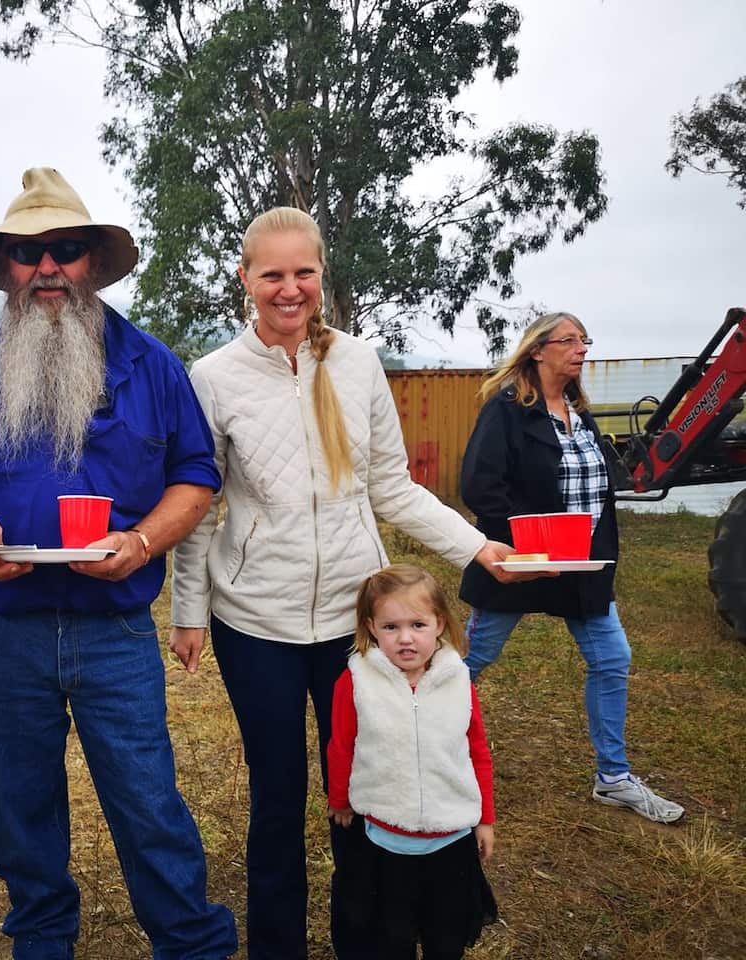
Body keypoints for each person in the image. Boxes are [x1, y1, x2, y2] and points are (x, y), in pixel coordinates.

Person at [0, 167, 238, 960]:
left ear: (94, 263)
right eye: (26, 253)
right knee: (18, 811)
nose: (46, 268)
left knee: (149, 803)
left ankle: (190, 945)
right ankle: (42, 943)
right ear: (6, 268)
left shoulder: (152, 366)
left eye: (66, 250)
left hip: (113, 630)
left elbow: (196, 474)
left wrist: (143, 543)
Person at [168, 206, 523, 960]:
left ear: (321, 275)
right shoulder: (213, 377)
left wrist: (476, 547)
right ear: (245, 278)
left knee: (363, 790)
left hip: (354, 625)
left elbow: (391, 486)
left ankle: (364, 941)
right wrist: (190, 612)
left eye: (304, 273)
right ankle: (278, 947)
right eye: (272, 274)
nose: (289, 288)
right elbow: (200, 506)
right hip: (253, 623)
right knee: (277, 795)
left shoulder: (359, 362)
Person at [459, 311, 685, 823]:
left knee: (611, 658)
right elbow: (479, 485)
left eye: (584, 340)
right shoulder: (507, 411)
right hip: (521, 561)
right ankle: (432, 750)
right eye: (569, 340)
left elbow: (600, 486)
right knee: (471, 663)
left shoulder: (579, 413)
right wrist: (524, 540)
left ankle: (613, 778)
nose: (581, 349)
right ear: (538, 350)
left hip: (583, 565)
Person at [327, 564, 499, 959]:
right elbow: (342, 746)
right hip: (387, 840)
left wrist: (485, 817)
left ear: (439, 623)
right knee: (392, 936)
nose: (405, 638)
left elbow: (477, 751)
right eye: (391, 627)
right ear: (371, 627)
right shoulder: (355, 681)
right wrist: (340, 799)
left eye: (418, 624)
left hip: (451, 839)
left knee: (445, 936)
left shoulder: (458, 680)